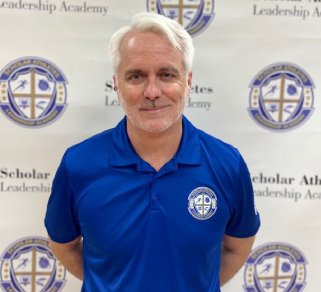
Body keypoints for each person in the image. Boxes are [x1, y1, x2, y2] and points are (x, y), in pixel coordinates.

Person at [44, 12, 260, 292]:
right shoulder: (78, 164)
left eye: (167, 74)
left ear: (188, 81)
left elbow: (236, 247)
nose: (153, 91)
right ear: (116, 84)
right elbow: (64, 246)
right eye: (136, 76)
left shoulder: (227, 164)